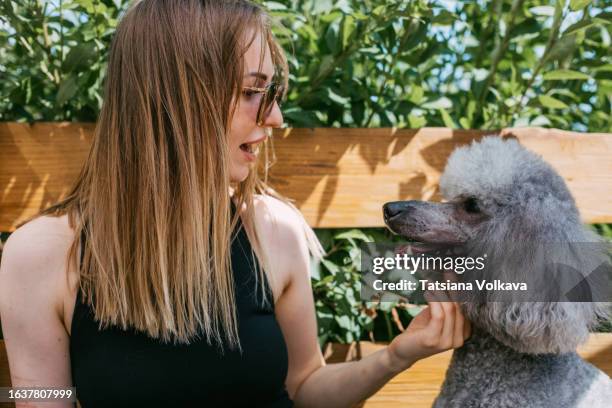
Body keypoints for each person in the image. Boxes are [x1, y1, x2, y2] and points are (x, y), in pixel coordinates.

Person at [0, 0, 470, 407]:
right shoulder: (41, 255)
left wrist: (396, 355)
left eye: (271, 93)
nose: (277, 117)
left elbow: (306, 386)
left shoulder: (274, 230)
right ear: (173, 98)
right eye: (251, 92)